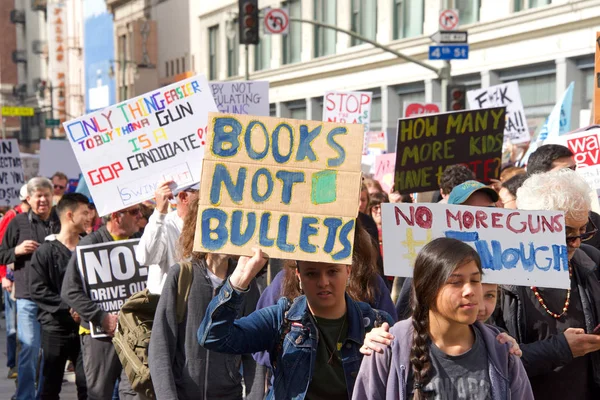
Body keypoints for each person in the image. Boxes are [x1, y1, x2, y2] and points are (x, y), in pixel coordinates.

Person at [198, 245, 394, 399]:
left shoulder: (374, 323)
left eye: (332, 271)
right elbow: (213, 337)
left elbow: (405, 381)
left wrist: (384, 351)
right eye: (312, 273)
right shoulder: (280, 319)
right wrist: (238, 282)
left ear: (348, 271)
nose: (323, 282)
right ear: (299, 276)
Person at [352, 238, 533, 399]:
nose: (470, 291)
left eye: (475, 280)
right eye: (456, 282)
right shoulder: (389, 348)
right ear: (427, 290)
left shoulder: (502, 352)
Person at [495, 168, 600, 398]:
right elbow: (493, 361)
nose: (576, 243)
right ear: (532, 226)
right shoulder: (500, 278)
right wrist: (561, 348)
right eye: (566, 233)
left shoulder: (590, 261)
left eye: (583, 231)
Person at [148, 196, 263, 400]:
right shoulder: (181, 275)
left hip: (229, 394)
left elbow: (254, 351)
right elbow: (160, 345)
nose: (227, 230)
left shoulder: (246, 282)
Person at [61, 204, 143, 400]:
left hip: (134, 335)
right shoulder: (89, 244)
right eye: (133, 212)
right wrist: (101, 317)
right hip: (99, 335)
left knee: (134, 392)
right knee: (99, 393)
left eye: (139, 211)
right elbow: (69, 290)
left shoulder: (141, 242)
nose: (139, 216)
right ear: (116, 216)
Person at [395, 180, 499, 320]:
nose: (482, 219)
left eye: (489, 211)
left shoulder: (509, 267)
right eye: (470, 213)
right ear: (450, 216)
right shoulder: (430, 263)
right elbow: (406, 319)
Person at [0, 177, 59, 400]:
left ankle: (43, 394)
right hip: (27, 297)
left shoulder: (60, 221)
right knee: (30, 348)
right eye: (38, 195)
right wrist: (17, 250)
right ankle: (25, 396)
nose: (43, 199)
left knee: (50, 353)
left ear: (52, 197)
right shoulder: (18, 222)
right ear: (29, 198)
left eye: (46, 195)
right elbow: (1, 254)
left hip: (55, 298)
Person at [29, 193, 91, 400]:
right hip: (55, 329)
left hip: (85, 329)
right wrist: (69, 308)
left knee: (88, 386)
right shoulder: (45, 251)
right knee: (49, 387)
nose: (89, 217)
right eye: (85, 213)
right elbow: (38, 290)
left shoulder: (88, 249)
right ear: (70, 215)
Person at [526, 143, 600, 250]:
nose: (576, 243)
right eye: (566, 171)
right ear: (539, 177)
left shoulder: (593, 220)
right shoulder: (520, 223)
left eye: (582, 230)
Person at [135, 181, 199, 294]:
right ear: (184, 197)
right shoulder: (165, 224)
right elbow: (145, 258)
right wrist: (160, 212)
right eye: (205, 192)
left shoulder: (211, 226)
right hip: (169, 307)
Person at [0, 184, 29, 380]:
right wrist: (2, 276)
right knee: (12, 326)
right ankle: (13, 365)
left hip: (25, 279)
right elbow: (2, 247)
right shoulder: (12, 217)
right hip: (10, 279)